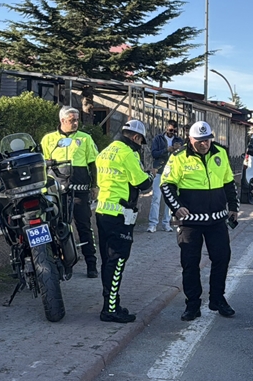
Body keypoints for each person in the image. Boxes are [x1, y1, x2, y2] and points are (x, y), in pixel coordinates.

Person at [160, 121, 240, 321]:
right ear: (190, 139)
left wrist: (233, 208)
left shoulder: (220, 153)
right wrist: (176, 207)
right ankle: (192, 304)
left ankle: (217, 299)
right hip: (190, 222)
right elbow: (166, 185)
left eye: (207, 140)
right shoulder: (178, 157)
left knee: (222, 258)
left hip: (217, 219)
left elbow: (229, 182)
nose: (204, 144)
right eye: (200, 141)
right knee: (190, 263)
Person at [93, 119, 153, 323]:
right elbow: (143, 183)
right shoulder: (128, 153)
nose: (140, 146)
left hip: (103, 211)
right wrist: (150, 177)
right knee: (117, 262)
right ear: (136, 137)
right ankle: (109, 309)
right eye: (140, 141)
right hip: (120, 214)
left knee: (107, 261)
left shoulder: (106, 151)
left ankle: (112, 303)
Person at [40, 107, 100, 278]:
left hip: (79, 190)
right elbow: (42, 164)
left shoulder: (85, 138)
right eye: (71, 120)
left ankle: (91, 263)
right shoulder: (48, 139)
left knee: (84, 226)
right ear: (62, 121)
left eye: (77, 119)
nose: (75, 123)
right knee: (57, 227)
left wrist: (95, 185)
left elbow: (93, 163)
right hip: (56, 191)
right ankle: (64, 263)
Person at [148, 120, 183, 232]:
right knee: (156, 197)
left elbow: (184, 155)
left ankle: (166, 223)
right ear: (166, 128)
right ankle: (153, 223)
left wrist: (178, 150)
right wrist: (166, 150)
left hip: (172, 172)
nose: (172, 132)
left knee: (169, 198)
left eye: (174, 130)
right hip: (159, 170)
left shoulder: (179, 141)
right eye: (170, 130)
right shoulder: (158, 139)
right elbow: (154, 153)